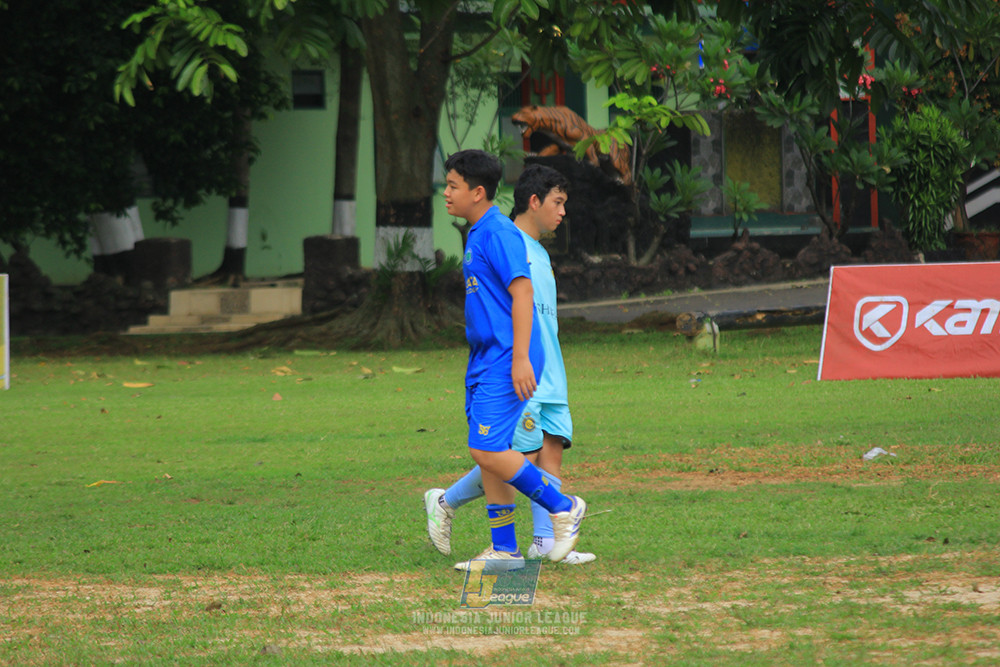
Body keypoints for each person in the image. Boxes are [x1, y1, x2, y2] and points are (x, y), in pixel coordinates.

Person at [426, 164, 595, 567]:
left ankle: (549, 521)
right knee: (502, 449)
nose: (445, 193)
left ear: (478, 191)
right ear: (534, 202)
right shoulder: (494, 234)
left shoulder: (500, 235)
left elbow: (523, 300)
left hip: (517, 361)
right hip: (503, 359)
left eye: (452, 186)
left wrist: (523, 358)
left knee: (504, 449)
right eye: (558, 202)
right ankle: (510, 539)